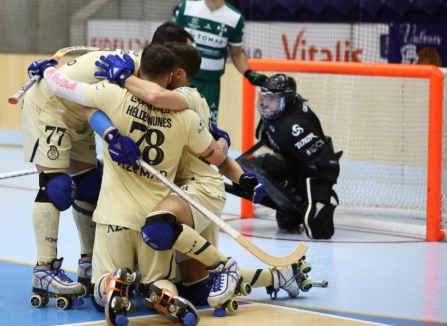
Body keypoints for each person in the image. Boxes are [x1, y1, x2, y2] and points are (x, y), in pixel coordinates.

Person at [97, 44, 314, 309]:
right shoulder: (166, 96)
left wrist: (122, 77)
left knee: (159, 225)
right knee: (195, 288)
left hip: (198, 188)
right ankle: (279, 277)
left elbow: (155, 97)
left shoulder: (184, 96)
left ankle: (225, 266)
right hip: (179, 190)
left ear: (174, 74)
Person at [36, 43, 228, 326]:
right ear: (170, 77)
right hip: (155, 221)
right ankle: (164, 294)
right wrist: (221, 139)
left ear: (140, 67)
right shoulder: (185, 115)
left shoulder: (113, 96)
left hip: (115, 217)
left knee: (100, 286)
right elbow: (216, 155)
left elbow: (67, 90)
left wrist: (48, 70)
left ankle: (112, 285)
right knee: (161, 279)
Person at [21, 22, 199, 304]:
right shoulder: (122, 68)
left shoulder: (148, 72)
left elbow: (91, 106)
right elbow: (83, 99)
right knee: (56, 187)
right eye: (185, 52)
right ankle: (45, 269)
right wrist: (111, 135)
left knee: (89, 186)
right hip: (50, 107)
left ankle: (88, 261)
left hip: (79, 115)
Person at [238, 74, 343, 240]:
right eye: (264, 97)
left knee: (254, 169)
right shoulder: (283, 104)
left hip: (303, 170)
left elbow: (328, 163)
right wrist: (257, 78)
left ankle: (296, 192)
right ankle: (289, 190)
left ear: (285, 101)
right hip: (292, 160)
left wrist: (319, 203)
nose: (265, 103)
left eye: (271, 99)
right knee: (287, 221)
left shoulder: (295, 126)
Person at [172, 0, 266, 124]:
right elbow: (169, 38)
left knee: (206, 127)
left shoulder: (235, 18)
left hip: (211, 85)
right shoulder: (187, 6)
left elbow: (237, 54)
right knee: (176, 122)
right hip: (181, 79)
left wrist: (248, 73)